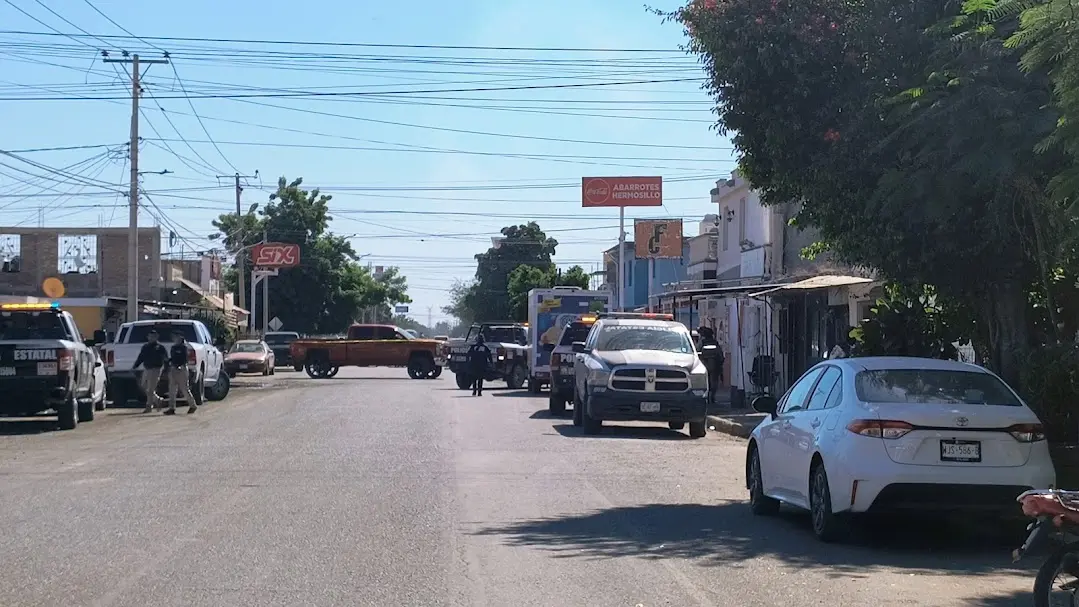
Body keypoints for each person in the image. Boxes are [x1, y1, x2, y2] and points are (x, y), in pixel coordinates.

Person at [132, 329, 167, 413]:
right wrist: (135, 366)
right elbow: (141, 357)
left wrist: (166, 368)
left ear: (157, 337)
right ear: (147, 337)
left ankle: (149, 406)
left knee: (151, 389)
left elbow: (165, 358)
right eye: (150, 336)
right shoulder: (145, 347)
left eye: (154, 336)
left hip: (156, 369)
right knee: (143, 386)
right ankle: (158, 399)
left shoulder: (160, 347)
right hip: (147, 369)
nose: (151, 338)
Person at [164, 331, 198, 415]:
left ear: (180, 337)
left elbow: (185, 358)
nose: (174, 338)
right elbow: (173, 358)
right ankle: (172, 408)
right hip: (173, 369)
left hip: (182, 369)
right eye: (174, 337)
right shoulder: (173, 347)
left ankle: (193, 405)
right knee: (172, 389)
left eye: (176, 337)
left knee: (184, 389)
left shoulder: (184, 347)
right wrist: (168, 361)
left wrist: (180, 365)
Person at [696, 326, 724, 405]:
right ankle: (712, 397)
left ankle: (707, 397)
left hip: (704, 365)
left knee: (705, 382)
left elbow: (697, 351)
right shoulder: (715, 342)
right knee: (714, 382)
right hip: (715, 365)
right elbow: (720, 354)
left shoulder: (702, 342)